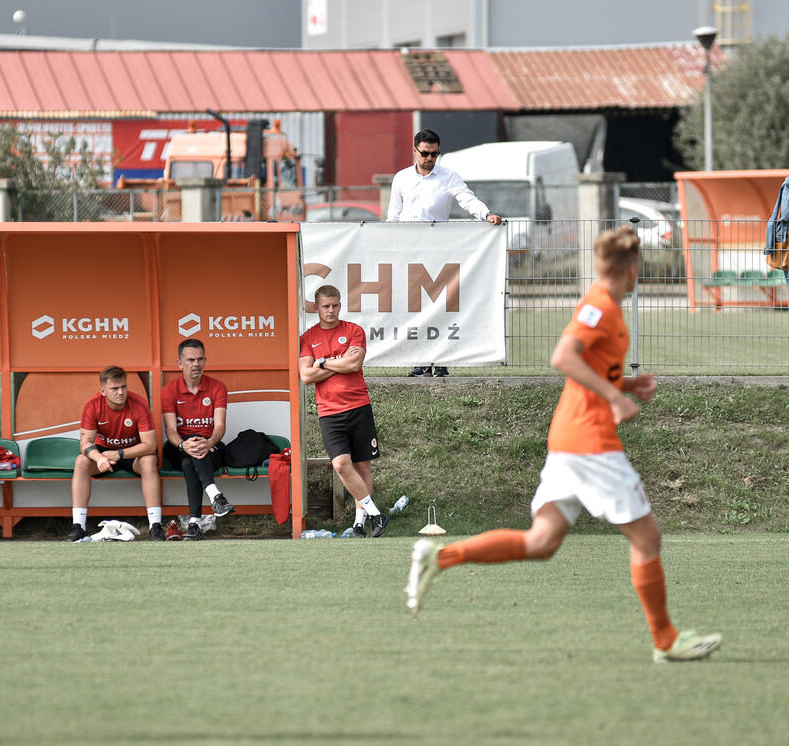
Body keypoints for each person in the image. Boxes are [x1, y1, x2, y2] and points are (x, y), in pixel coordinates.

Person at [406, 226, 723, 664]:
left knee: (542, 542)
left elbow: (591, 364)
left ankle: (439, 558)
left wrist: (625, 383)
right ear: (631, 269)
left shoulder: (601, 301)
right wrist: (615, 397)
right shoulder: (600, 306)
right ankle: (666, 640)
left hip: (569, 440)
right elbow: (564, 357)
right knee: (647, 536)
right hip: (591, 443)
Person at [387, 128, 503, 378]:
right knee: (414, 307)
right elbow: (393, 218)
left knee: (441, 306)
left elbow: (467, 199)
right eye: (425, 153)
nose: (430, 158)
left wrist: (486, 214)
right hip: (409, 252)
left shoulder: (449, 176)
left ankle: (440, 361)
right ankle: (419, 361)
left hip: (438, 251)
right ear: (414, 151)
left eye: (435, 154)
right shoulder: (401, 178)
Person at [299, 285, 388, 538]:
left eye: (335, 305)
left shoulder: (353, 330)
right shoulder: (307, 338)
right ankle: (376, 514)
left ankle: (360, 524)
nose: (331, 310)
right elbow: (306, 376)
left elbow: (354, 363)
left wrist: (324, 362)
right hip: (329, 412)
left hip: (359, 407)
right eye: (326, 306)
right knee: (340, 465)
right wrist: (341, 364)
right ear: (316, 307)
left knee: (363, 468)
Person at [69, 367, 164, 542]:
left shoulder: (139, 404)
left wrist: (120, 453)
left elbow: (150, 446)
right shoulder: (93, 405)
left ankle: (155, 526)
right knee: (81, 461)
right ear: (103, 391)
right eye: (114, 388)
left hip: (133, 454)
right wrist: (99, 458)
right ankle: (78, 527)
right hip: (105, 454)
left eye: (123, 387)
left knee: (149, 461)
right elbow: (85, 443)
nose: (121, 392)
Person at [161, 339, 234, 540]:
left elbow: (220, 426)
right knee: (187, 455)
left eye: (200, 359)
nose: (196, 364)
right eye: (191, 360)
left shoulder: (217, 387)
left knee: (189, 462)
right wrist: (184, 444)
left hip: (208, 444)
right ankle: (216, 497)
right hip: (179, 446)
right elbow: (170, 430)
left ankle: (194, 524)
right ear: (179, 363)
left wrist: (209, 442)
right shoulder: (169, 390)